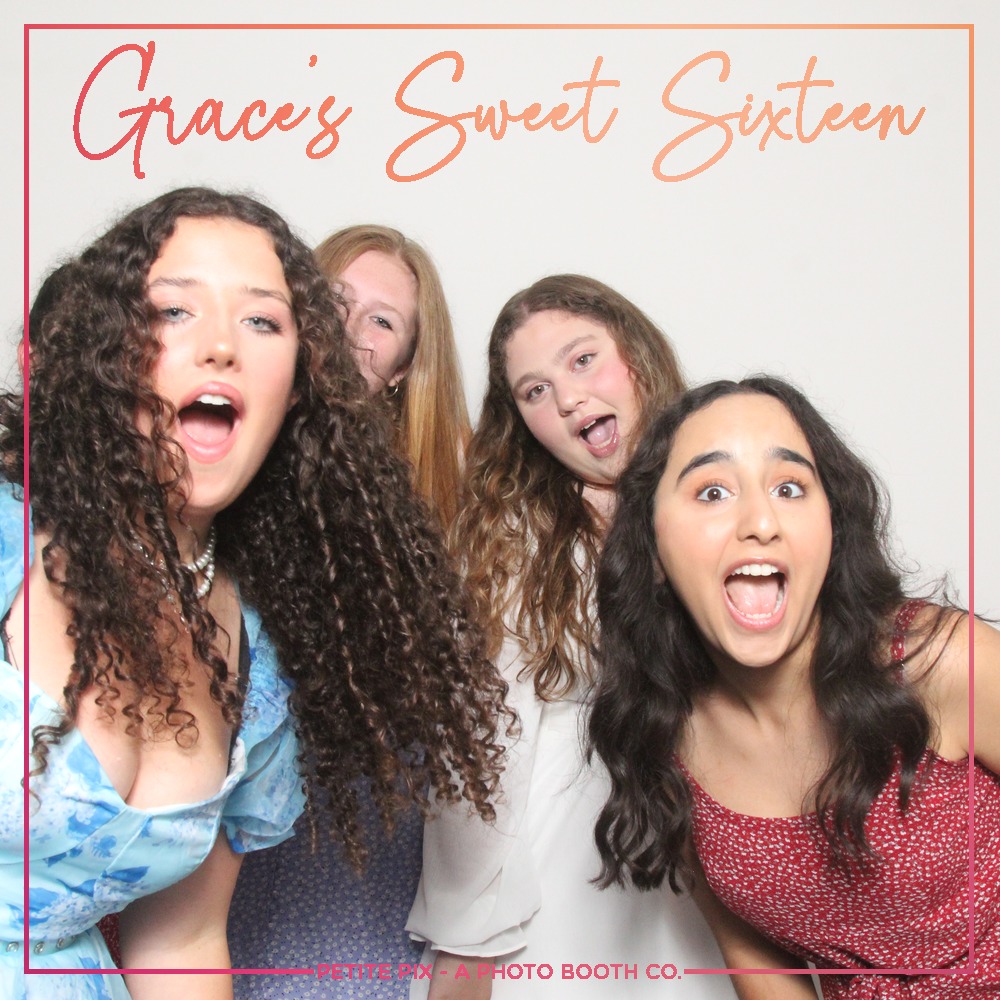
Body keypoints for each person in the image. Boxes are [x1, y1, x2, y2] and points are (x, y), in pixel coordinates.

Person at [0, 188, 507, 1000]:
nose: (220, 346)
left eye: (262, 321)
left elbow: (181, 942)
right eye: (174, 310)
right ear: (108, 346)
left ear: (302, 383)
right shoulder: (13, 537)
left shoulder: (255, 658)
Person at [590, 375, 999, 999]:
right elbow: (756, 965)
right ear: (651, 549)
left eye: (789, 488)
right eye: (712, 492)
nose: (761, 521)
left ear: (831, 529)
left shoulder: (939, 662)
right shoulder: (663, 737)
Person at [406, 274, 734, 999]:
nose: (568, 398)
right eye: (535, 391)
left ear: (637, 354)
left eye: (583, 360)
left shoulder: (735, 499)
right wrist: (466, 944)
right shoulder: (513, 541)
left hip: (721, 870)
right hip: (565, 888)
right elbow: (482, 749)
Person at [228, 223, 472, 997]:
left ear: (401, 369)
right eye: (335, 302)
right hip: (210, 839)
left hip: (352, 850)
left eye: (383, 320)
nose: (349, 329)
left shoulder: (431, 503)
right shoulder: (213, 456)